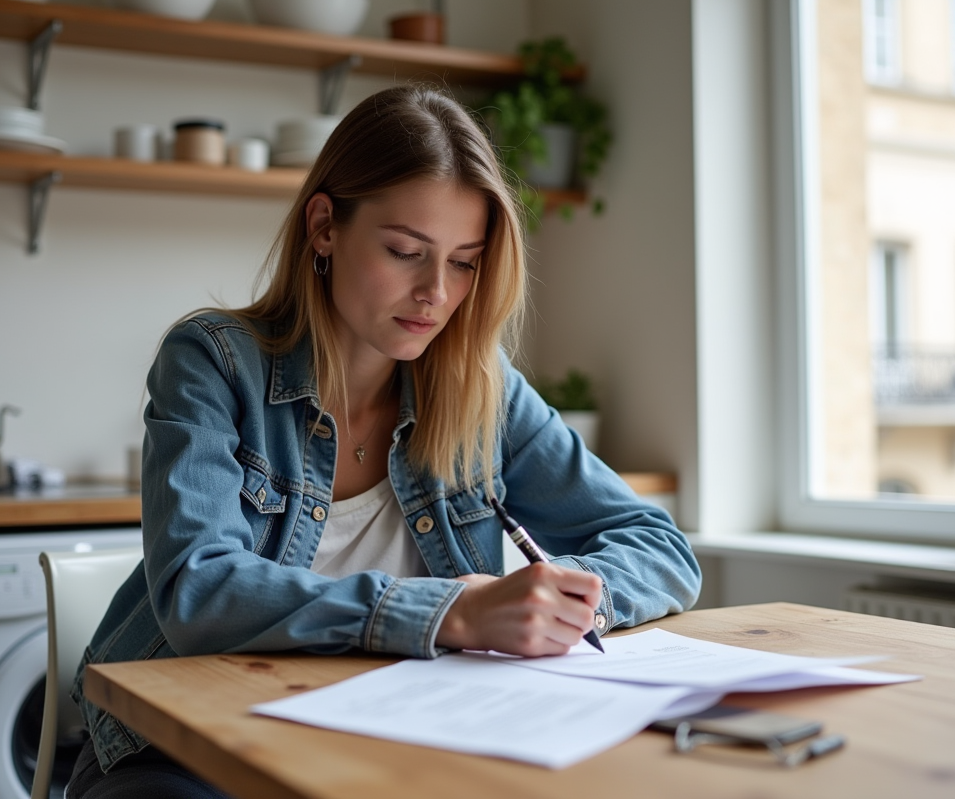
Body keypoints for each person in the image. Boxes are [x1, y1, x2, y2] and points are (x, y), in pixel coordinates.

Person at [66, 84, 701, 798]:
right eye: (406, 251)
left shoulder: (479, 387)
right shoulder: (214, 361)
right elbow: (200, 590)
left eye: (464, 261)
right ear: (324, 228)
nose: (437, 291)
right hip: (179, 748)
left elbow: (659, 546)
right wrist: (451, 611)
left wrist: (574, 605)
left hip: (388, 734)